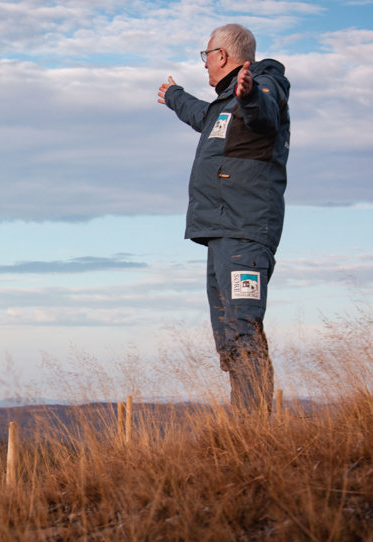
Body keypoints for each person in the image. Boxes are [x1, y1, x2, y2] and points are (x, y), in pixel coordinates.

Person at [157, 24, 290, 415]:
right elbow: (203, 116)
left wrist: (248, 95)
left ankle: (253, 430)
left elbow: (264, 114)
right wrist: (174, 97)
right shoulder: (225, 106)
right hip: (220, 232)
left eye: (206, 55)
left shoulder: (265, 87)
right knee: (229, 336)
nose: (205, 64)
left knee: (244, 330)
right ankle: (243, 426)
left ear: (224, 56)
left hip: (245, 233)